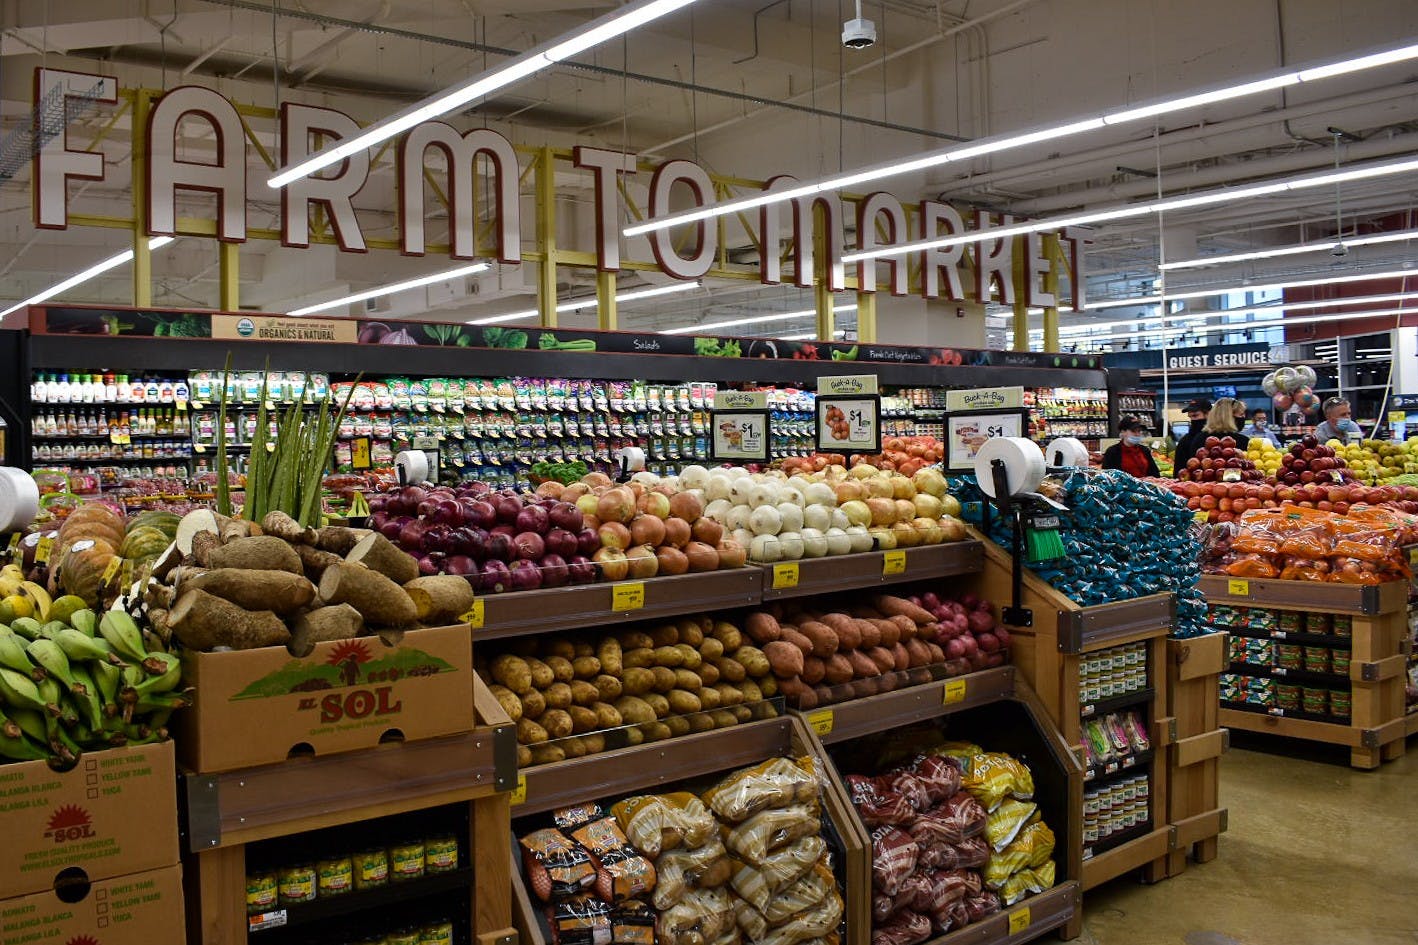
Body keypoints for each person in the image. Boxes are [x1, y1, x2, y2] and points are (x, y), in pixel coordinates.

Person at [1171, 398, 1212, 477]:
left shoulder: (1216, 438)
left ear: (1208, 414)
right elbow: (1178, 471)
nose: (1193, 420)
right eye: (1190, 417)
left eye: (1195, 416)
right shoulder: (1184, 441)